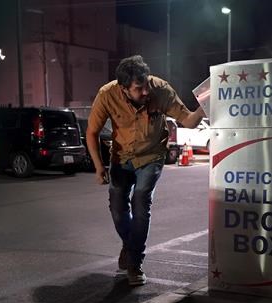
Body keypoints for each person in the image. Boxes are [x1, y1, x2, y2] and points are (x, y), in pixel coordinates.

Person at [86, 55, 205, 286]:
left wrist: (204, 108)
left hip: (152, 156)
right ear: (124, 88)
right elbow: (91, 132)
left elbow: (189, 120)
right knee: (117, 209)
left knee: (141, 199)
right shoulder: (107, 94)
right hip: (121, 158)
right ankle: (130, 245)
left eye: (146, 85)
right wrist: (99, 167)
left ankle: (135, 262)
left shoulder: (161, 90)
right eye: (138, 88)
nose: (145, 92)